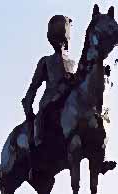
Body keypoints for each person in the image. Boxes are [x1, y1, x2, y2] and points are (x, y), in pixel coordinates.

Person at [22, 15, 75, 178]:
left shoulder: (73, 63)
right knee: (42, 121)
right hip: (51, 101)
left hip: (69, 102)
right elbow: (34, 86)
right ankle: (37, 159)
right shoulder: (46, 61)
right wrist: (28, 104)